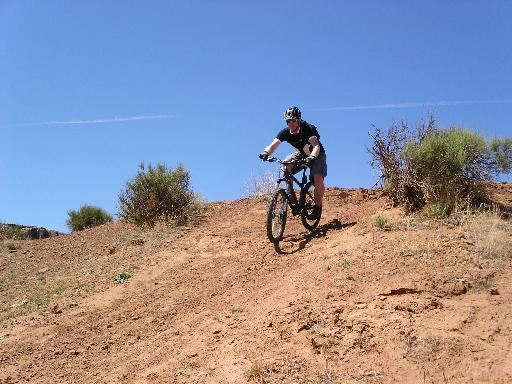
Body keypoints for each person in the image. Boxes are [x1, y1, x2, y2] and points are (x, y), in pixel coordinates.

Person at [259, 106, 327, 219]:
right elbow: (272, 146)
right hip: (302, 154)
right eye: (288, 121)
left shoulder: (307, 128)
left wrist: (312, 157)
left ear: (299, 119)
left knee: (317, 179)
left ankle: (317, 207)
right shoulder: (285, 133)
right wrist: (266, 152)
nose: (291, 123)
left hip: (317, 155)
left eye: (293, 120)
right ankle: (294, 202)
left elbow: (316, 146)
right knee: (285, 166)